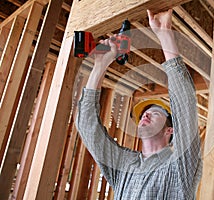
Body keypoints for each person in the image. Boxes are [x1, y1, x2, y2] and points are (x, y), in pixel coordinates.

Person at [76, 9, 202, 200]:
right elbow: (87, 127)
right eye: (144, 113)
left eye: (156, 113)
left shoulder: (180, 166)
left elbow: (185, 107)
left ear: (170, 131)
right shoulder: (124, 165)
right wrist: (99, 66)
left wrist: (165, 35)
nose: (146, 115)